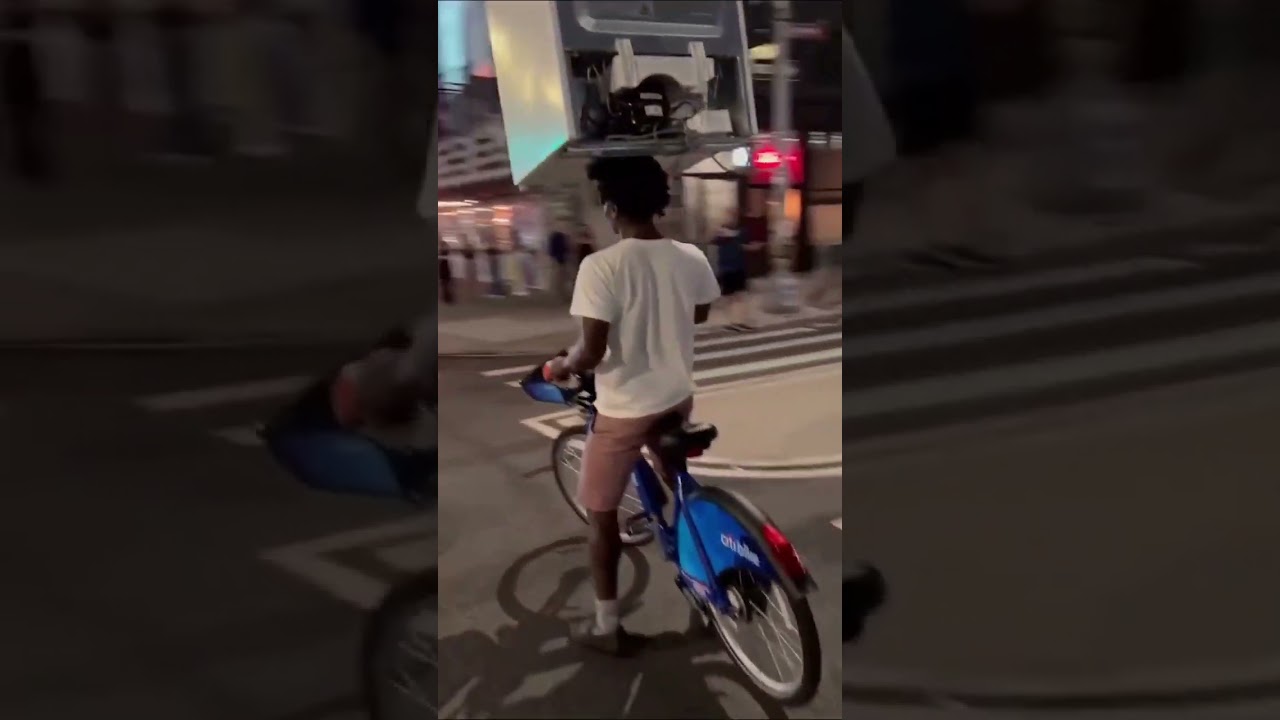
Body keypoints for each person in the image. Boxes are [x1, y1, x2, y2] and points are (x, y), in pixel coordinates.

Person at [543, 155, 720, 655]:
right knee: (678, 484)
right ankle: (705, 579)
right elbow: (700, 313)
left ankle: (606, 628)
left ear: (613, 206)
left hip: (624, 410)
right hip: (676, 399)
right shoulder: (690, 256)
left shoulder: (601, 266)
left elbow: (592, 352)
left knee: (600, 517)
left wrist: (561, 367)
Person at [711, 211, 752, 331]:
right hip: (727, 268)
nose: (731, 219)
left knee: (741, 295)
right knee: (729, 297)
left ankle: (740, 320)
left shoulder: (741, 232)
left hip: (739, 267)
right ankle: (730, 322)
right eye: (729, 216)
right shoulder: (721, 234)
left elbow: (745, 242)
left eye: (733, 216)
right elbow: (714, 240)